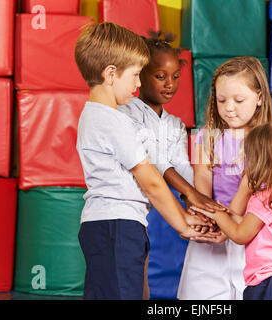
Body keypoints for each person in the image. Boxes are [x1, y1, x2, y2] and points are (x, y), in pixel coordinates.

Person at [73, 22, 216, 300]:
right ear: (111, 74)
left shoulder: (103, 116)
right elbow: (151, 179)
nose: (138, 84)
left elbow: (175, 169)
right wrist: (183, 224)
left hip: (123, 224)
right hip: (116, 225)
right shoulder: (114, 118)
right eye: (137, 75)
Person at [118, 30, 224, 299]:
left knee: (140, 289)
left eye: (175, 76)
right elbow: (155, 161)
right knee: (120, 284)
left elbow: (182, 167)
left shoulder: (174, 124)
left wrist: (201, 209)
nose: (170, 84)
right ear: (140, 75)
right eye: (160, 76)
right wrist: (191, 194)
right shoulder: (127, 112)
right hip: (119, 211)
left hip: (140, 214)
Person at [191, 120, 272, 300]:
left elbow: (240, 235)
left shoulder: (267, 197)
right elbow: (253, 227)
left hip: (270, 283)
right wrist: (228, 214)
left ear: (265, 162)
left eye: (249, 158)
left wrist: (213, 211)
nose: (247, 164)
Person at [177, 56, 272, 300]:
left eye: (239, 100)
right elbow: (202, 178)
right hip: (213, 231)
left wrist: (230, 226)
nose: (229, 107)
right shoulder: (203, 137)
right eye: (222, 100)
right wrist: (206, 217)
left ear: (260, 98)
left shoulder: (270, 142)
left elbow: (255, 192)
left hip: (250, 233)